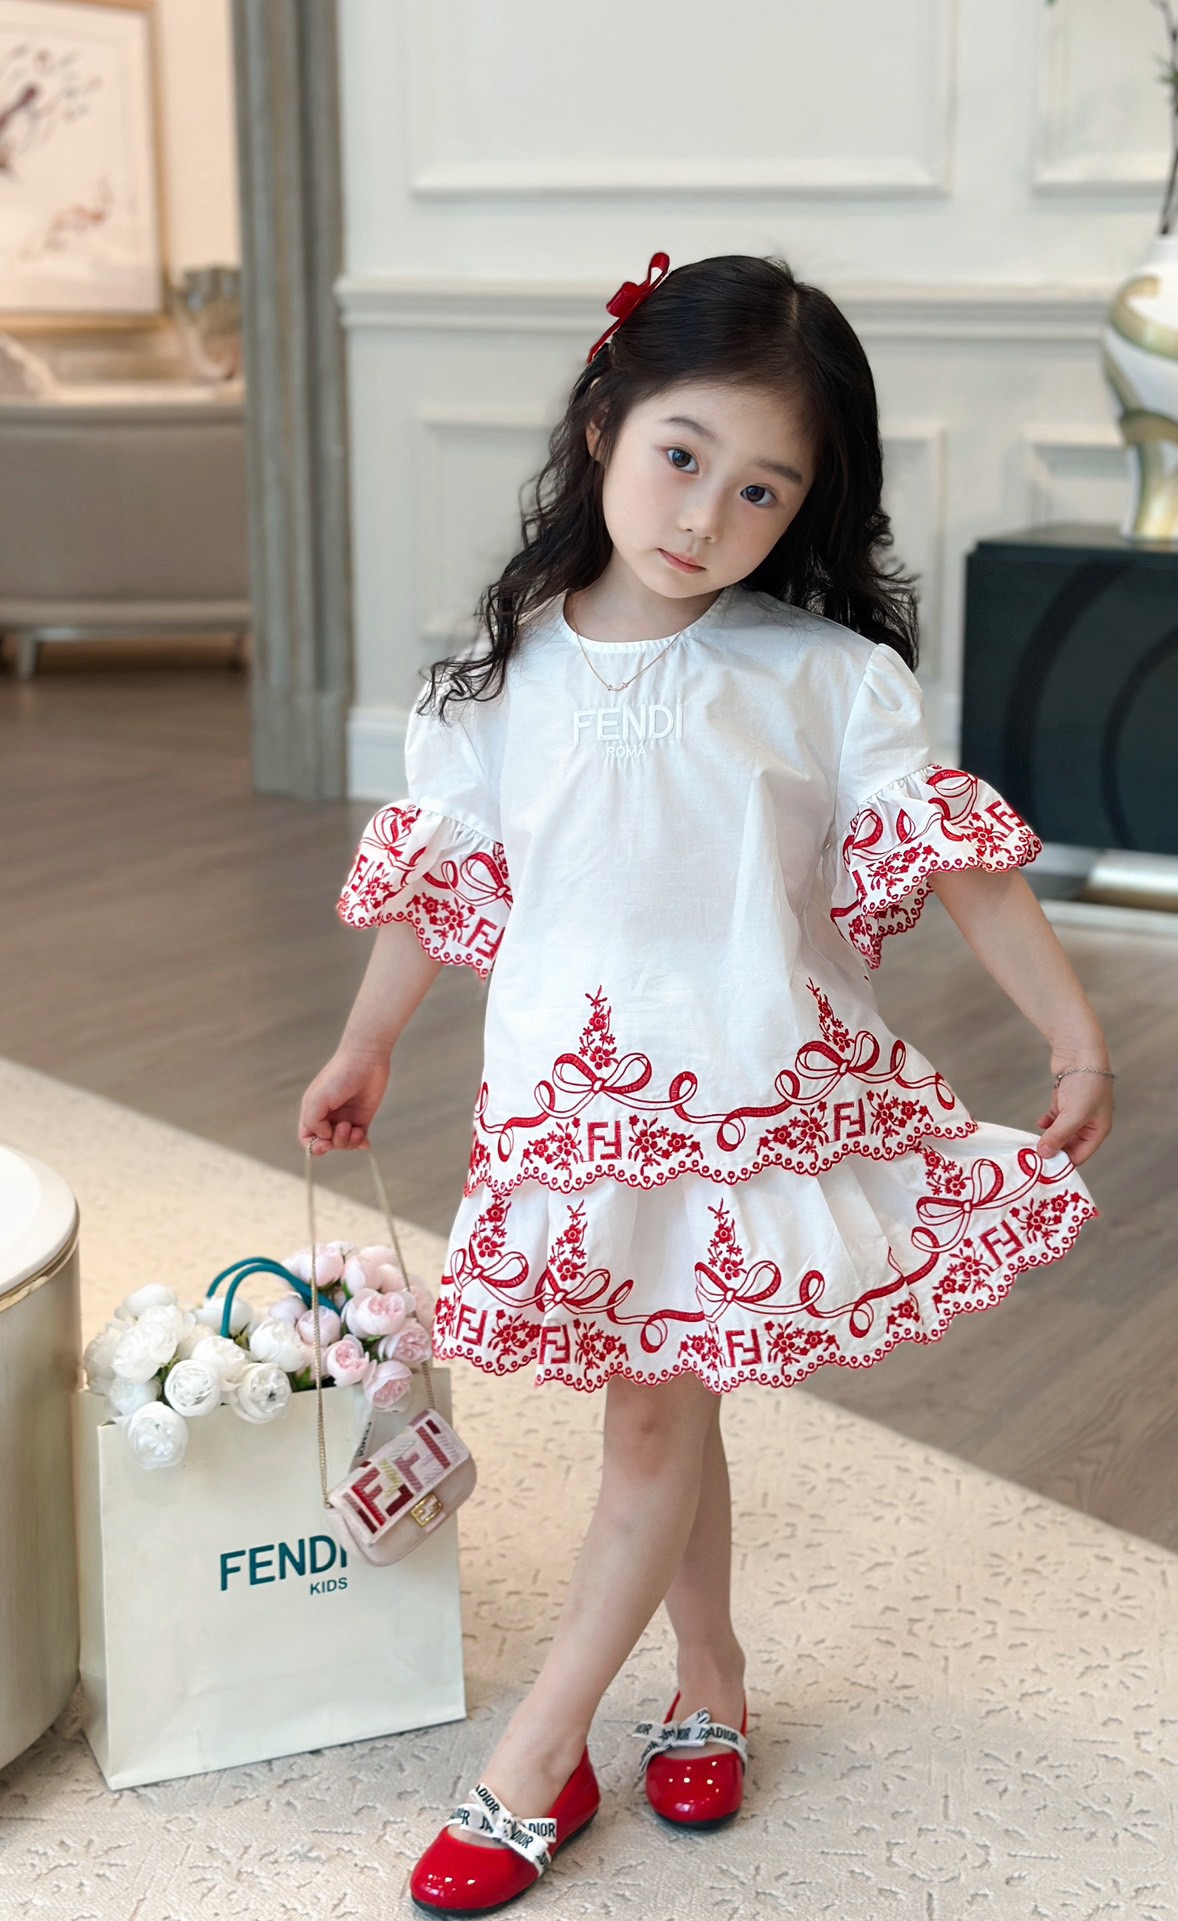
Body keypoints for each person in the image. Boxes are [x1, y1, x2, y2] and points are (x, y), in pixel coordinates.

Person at [300, 250, 1114, 1917]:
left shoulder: (819, 676)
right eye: (682, 455)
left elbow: (958, 865)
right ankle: (714, 1675)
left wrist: (1070, 1026)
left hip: (749, 1104)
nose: (704, 515)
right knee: (670, 1391)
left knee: (657, 1407)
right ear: (604, 419)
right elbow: (446, 887)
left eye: (762, 489)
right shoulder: (490, 685)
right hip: (575, 1115)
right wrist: (367, 1041)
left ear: (804, 507)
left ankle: (538, 1755)